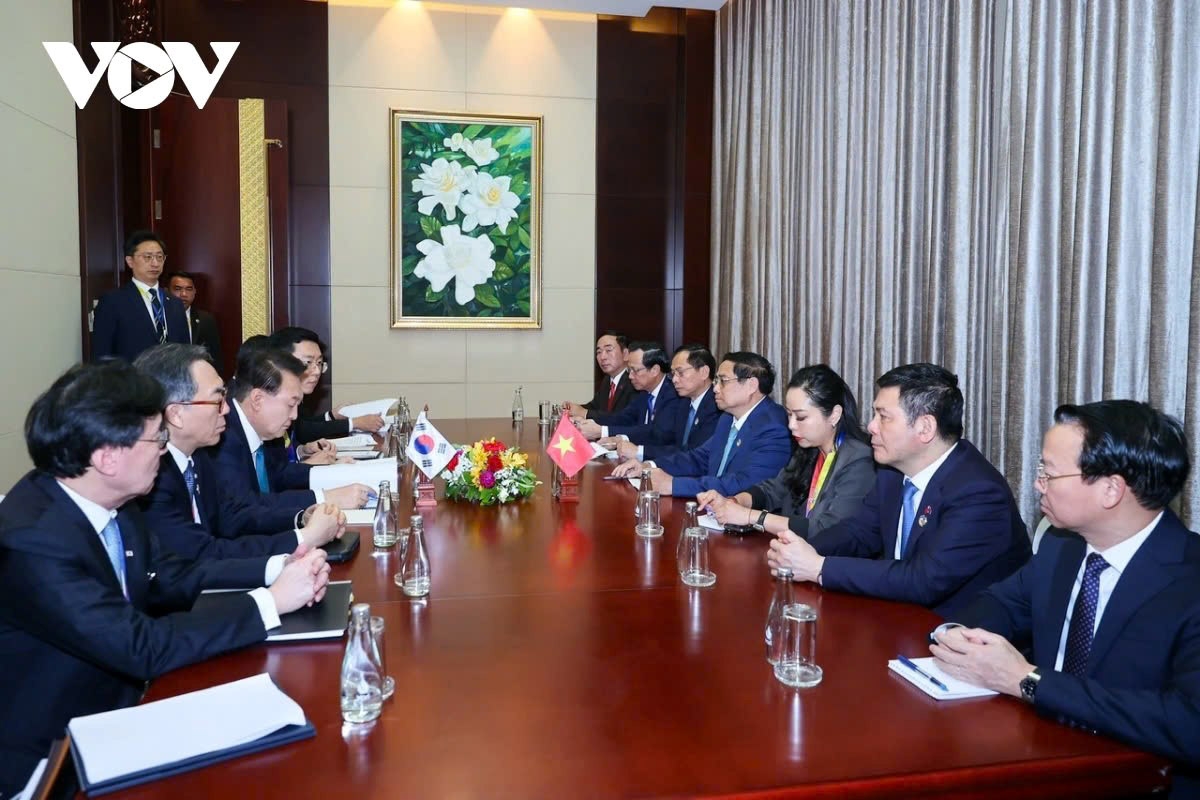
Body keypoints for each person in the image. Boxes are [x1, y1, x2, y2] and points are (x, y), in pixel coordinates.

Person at [0, 361, 331, 794]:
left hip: (126, 714)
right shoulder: (33, 541)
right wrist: (269, 602)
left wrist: (279, 569)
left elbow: (170, 576)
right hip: (56, 761)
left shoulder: (115, 501)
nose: (163, 448)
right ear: (106, 456)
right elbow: (140, 645)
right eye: (155, 438)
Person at [929, 401, 1200, 791]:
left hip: (1139, 780)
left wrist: (1028, 680)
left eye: (1048, 473)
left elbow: (1188, 723)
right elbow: (1003, 602)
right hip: (1037, 755)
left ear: (1111, 489)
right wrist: (957, 634)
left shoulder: (1189, 580)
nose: (1038, 483)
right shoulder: (1062, 546)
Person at [766, 363, 1029, 617]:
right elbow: (859, 532)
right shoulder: (891, 472)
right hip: (896, 615)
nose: (870, 426)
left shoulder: (978, 493)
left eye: (883, 417)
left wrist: (819, 567)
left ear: (925, 427)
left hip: (958, 636)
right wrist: (798, 550)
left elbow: (922, 580)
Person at [134, 344, 347, 560]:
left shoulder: (197, 456)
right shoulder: (153, 475)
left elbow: (232, 517)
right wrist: (304, 539)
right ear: (176, 414)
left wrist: (300, 518)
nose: (226, 409)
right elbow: (201, 556)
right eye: (217, 401)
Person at [698, 364, 874, 538]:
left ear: (834, 415)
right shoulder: (809, 449)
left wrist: (750, 516)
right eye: (789, 415)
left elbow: (826, 528)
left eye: (801, 417)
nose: (791, 425)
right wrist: (735, 501)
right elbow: (774, 489)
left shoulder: (858, 460)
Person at [208, 345, 372, 516]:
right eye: (290, 404)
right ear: (257, 399)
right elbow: (245, 507)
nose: (294, 416)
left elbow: (279, 477)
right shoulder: (222, 437)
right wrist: (324, 498)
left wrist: (333, 472)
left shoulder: (262, 431)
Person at [613, 351, 791, 497]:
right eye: (716, 381)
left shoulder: (773, 427)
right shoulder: (728, 417)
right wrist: (649, 466)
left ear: (752, 385)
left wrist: (673, 485)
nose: (715, 388)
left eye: (723, 381)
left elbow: (743, 483)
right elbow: (699, 458)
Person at [269, 326, 386, 464]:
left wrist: (302, 451)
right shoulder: (270, 406)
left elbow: (298, 433)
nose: (317, 371)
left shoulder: (296, 399)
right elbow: (274, 475)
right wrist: (354, 423)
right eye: (308, 363)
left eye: (319, 363)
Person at [603, 343, 721, 462]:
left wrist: (640, 452)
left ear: (704, 372)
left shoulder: (717, 408)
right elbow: (662, 436)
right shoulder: (684, 403)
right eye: (673, 373)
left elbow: (692, 454)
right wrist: (622, 439)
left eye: (680, 372)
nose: (674, 379)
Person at [91, 230, 190, 362]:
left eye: (159, 257)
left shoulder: (175, 303)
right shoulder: (113, 302)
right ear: (130, 261)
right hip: (132, 380)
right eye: (147, 257)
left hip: (172, 381)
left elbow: (186, 351)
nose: (155, 263)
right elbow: (102, 355)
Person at [577, 342, 686, 449]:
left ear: (654, 370)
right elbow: (623, 418)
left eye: (635, 370)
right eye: (629, 370)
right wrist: (588, 421)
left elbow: (656, 433)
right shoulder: (644, 393)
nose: (630, 376)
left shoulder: (673, 395)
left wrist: (603, 431)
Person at [564, 331, 637, 417]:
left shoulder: (634, 381)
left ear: (625, 354)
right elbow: (594, 407)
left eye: (608, 350)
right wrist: (573, 408)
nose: (602, 357)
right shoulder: (607, 380)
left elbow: (622, 418)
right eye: (599, 352)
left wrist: (585, 413)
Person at [166, 271, 225, 371]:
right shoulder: (159, 318)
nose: (183, 294)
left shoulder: (206, 320)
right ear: (167, 291)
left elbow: (215, 357)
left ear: (194, 291)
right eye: (177, 289)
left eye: (189, 289)